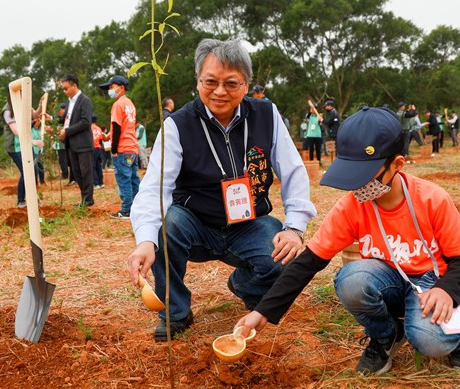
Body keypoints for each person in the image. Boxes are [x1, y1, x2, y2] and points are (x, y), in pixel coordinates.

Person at [233, 106, 460, 374]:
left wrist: (447, 290)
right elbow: (308, 262)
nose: (360, 186)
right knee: (352, 279)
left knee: (429, 340)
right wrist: (263, 312)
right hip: (388, 281)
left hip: (430, 284)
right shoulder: (352, 206)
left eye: (367, 176)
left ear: (397, 164)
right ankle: (386, 334)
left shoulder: (431, 199)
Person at [126, 38, 317, 341]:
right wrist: (146, 241)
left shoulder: (266, 116)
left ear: (246, 84)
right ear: (198, 80)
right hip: (195, 224)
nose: (219, 92)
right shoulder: (178, 125)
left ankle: (246, 285)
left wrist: (295, 226)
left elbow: (293, 171)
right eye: (210, 81)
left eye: (231, 83)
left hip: (250, 225)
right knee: (167, 224)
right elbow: (154, 189)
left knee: (283, 254)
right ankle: (175, 312)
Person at [99, 75, 140, 219]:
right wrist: (109, 135)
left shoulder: (117, 105)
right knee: (134, 179)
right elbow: (125, 126)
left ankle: (127, 210)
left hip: (122, 149)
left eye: (112, 87)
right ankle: (137, 207)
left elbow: (117, 126)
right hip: (132, 147)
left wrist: (114, 149)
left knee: (124, 180)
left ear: (121, 88)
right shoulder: (130, 104)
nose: (110, 90)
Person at [60, 74, 95, 207]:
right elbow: (67, 120)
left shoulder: (84, 101)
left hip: (83, 143)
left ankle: (88, 199)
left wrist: (67, 132)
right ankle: (84, 198)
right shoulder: (69, 102)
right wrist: (51, 119)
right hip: (71, 143)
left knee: (86, 172)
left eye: (66, 88)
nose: (65, 91)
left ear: (74, 85)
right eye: (63, 89)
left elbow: (86, 122)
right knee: (76, 172)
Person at [51, 103, 71, 182]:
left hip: (64, 141)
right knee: (61, 158)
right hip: (58, 142)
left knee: (64, 159)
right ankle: (64, 173)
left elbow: (64, 129)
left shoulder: (66, 118)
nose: (60, 111)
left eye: (61, 109)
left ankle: (66, 174)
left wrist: (53, 130)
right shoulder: (58, 119)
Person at [91, 114, 105, 188]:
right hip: (98, 148)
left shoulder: (89, 128)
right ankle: (101, 182)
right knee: (98, 165)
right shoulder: (99, 128)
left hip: (92, 148)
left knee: (92, 166)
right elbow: (101, 139)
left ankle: (95, 183)